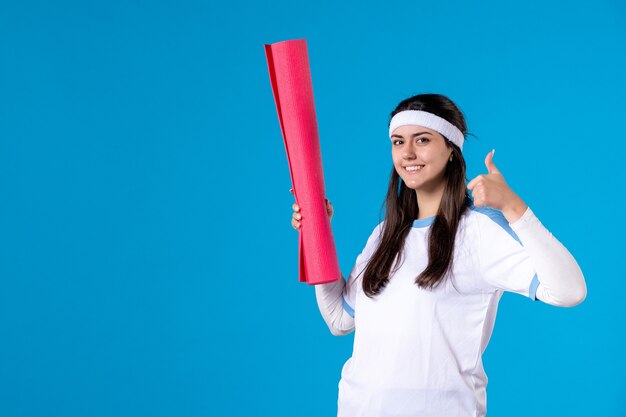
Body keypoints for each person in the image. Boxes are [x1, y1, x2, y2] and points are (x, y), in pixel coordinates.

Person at [289, 93, 587, 417]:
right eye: (398, 141)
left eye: (423, 139)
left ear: (451, 150)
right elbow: (339, 319)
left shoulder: (477, 232)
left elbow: (569, 291)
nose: (408, 153)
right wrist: (316, 234)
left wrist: (514, 207)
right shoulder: (383, 235)